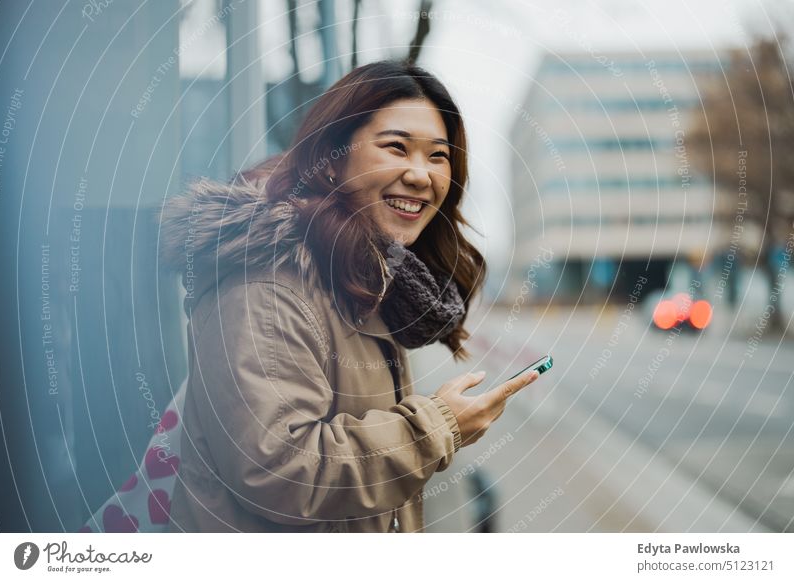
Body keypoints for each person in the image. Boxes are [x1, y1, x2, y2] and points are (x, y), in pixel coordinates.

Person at [158, 59, 540, 533]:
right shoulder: (270, 282)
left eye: (438, 156)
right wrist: (436, 428)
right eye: (396, 147)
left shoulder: (365, 276)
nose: (421, 175)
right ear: (334, 157)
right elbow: (279, 471)